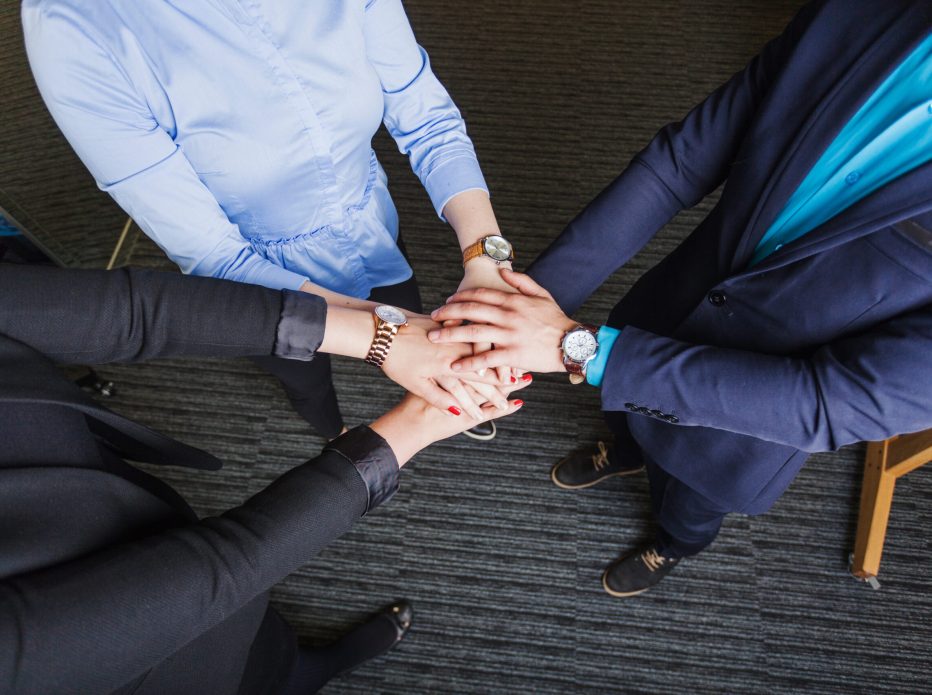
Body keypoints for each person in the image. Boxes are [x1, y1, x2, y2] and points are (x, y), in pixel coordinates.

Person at [428, 0, 932, 596]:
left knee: (689, 507)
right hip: (665, 311)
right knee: (624, 417)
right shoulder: (862, 12)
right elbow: (677, 163)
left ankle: (670, 546)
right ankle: (625, 450)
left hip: (746, 423)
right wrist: (519, 307)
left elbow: (834, 401)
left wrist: (577, 348)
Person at [0, 261, 526, 694]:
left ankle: (309, 663)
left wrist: (379, 335)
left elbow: (134, 314)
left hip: (128, 522)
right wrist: (421, 421)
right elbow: (218, 568)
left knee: (266, 638)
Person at [22, 0, 519, 442]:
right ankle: (330, 428)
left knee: (415, 313)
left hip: (372, 225)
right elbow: (216, 253)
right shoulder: (72, 24)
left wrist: (485, 257)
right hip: (254, 278)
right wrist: (385, 337)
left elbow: (429, 122)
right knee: (303, 373)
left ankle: (450, 386)